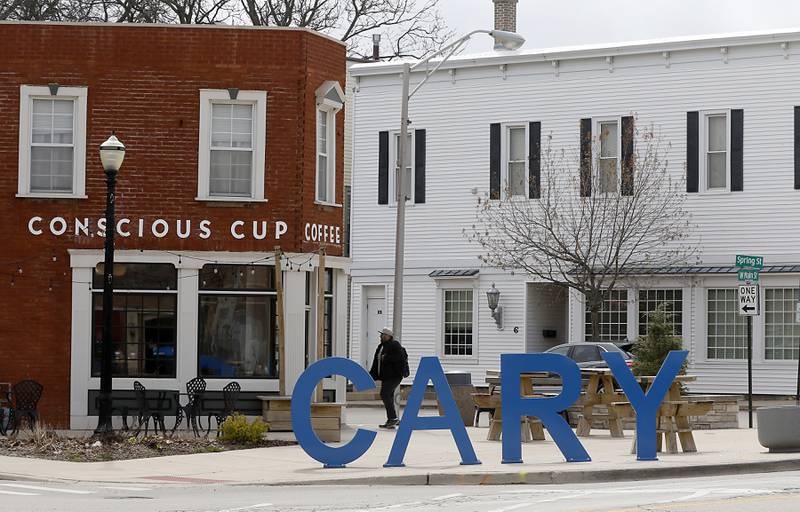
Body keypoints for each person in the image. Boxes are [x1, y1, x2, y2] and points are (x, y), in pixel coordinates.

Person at [368, 327, 404, 429]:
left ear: (389, 336)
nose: (381, 336)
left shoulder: (394, 345)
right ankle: (391, 420)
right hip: (385, 377)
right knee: (389, 396)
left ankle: (393, 418)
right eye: (381, 334)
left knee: (384, 394)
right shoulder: (380, 347)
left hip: (394, 376)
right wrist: (372, 375)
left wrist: (386, 358)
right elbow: (376, 363)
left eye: (383, 335)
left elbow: (400, 357)